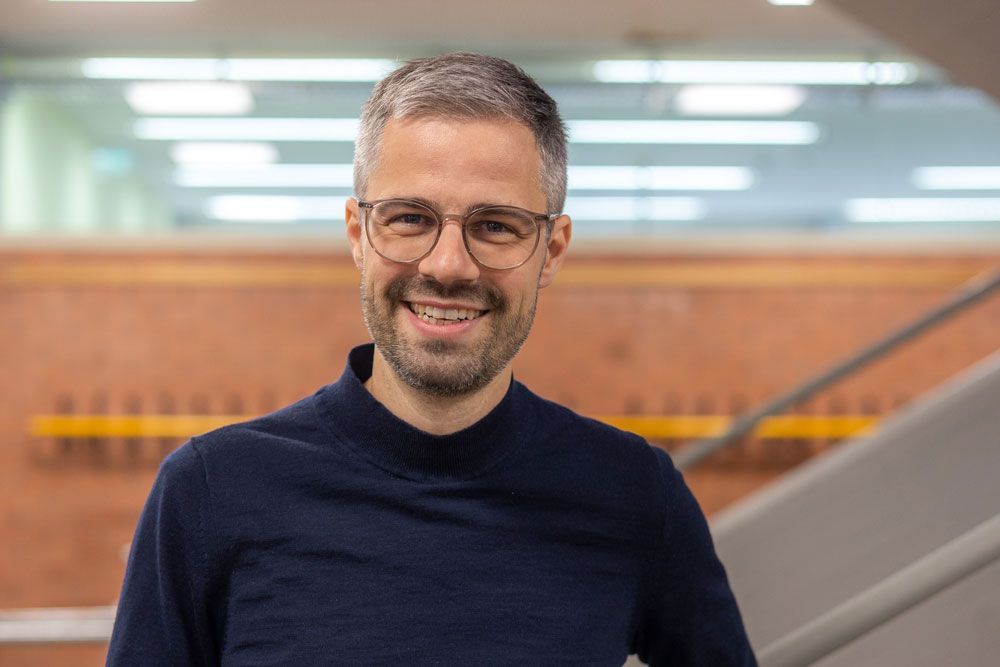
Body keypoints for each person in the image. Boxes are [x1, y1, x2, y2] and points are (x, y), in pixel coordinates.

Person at [107, 52, 756, 666]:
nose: (448, 266)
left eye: (496, 224)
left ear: (551, 251)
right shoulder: (210, 489)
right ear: (359, 234)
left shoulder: (634, 492)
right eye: (410, 218)